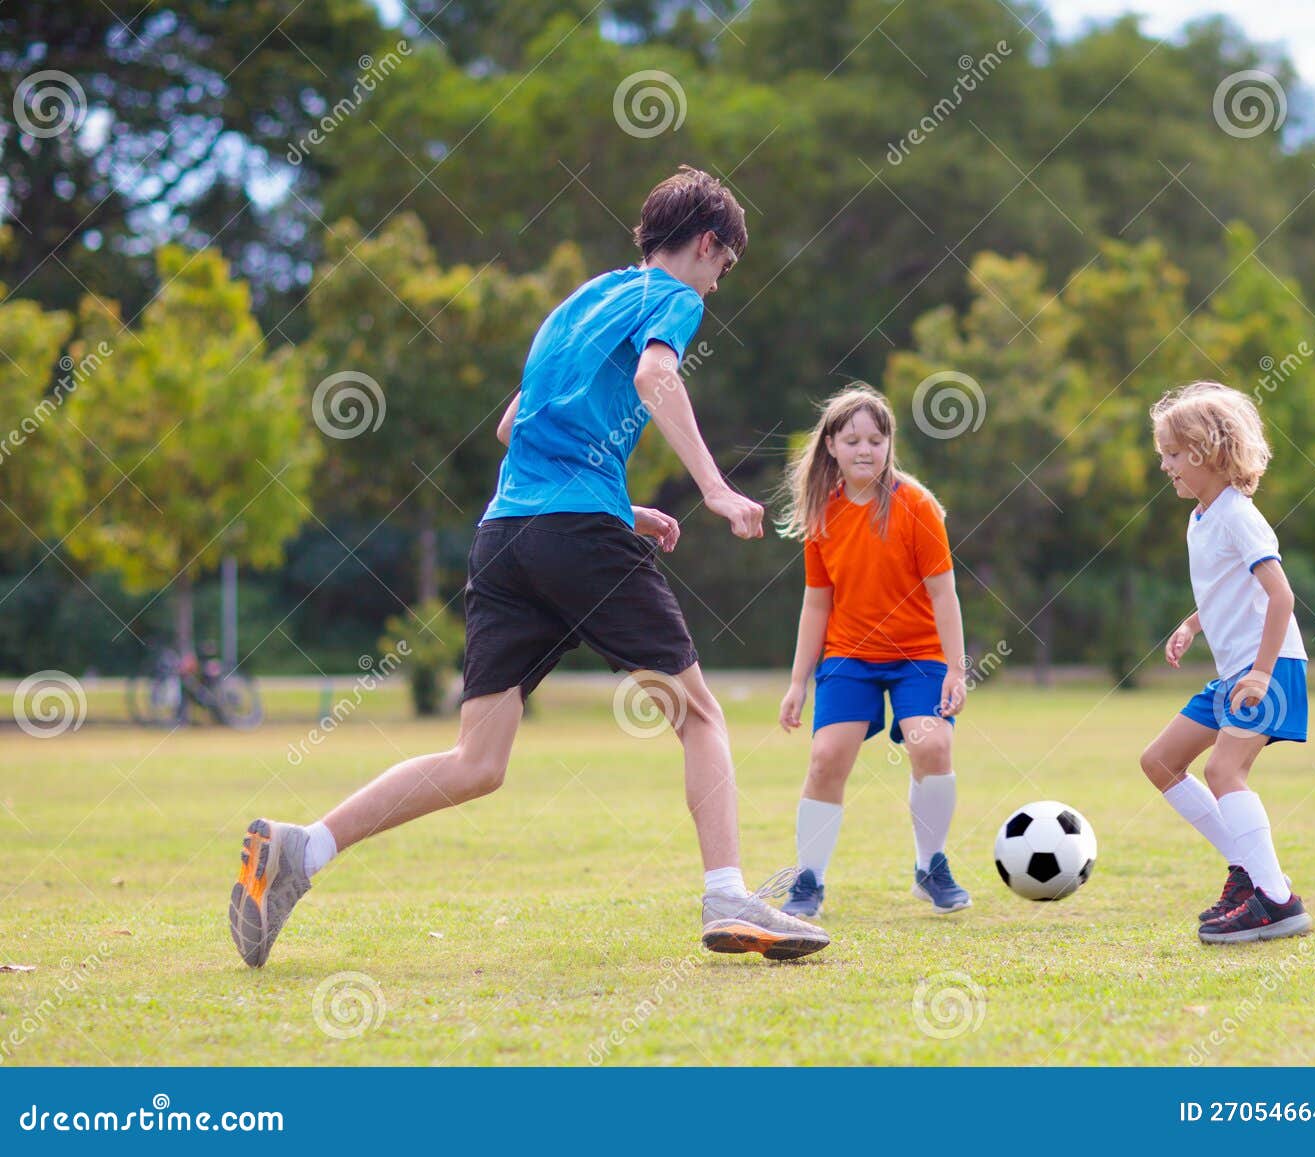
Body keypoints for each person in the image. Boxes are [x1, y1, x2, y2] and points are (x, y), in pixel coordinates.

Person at [229, 167, 830, 967]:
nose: (716, 289)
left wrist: (622, 505)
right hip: (574, 532)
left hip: (506, 537)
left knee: (478, 761)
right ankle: (727, 894)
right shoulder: (672, 297)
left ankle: (301, 851)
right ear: (708, 245)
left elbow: (516, 426)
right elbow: (656, 376)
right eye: (723, 270)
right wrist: (713, 489)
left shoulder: (575, 306)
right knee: (699, 715)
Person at [772, 385, 972, 918]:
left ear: (889, 445)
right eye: (853, 439)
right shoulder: (822, 512)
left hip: (919, 655)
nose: (866, 449)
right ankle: (808, 880)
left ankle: (931, 867)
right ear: (832, 446)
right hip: (848, 658)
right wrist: (797, 682)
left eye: (876, 439)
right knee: (826, 758)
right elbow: (816, 605)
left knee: (932, 749)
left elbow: (943, 594)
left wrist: (957, 667)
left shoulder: (917, 505)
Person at [1140, 380, 1313, 944]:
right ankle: (1248, 870)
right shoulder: (1202, 517)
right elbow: (1227, 587)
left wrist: (1261, 673)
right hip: (1234, 670)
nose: (1165, 466)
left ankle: (1277, 900)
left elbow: (1281, 596)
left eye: (1172, 454)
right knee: (1161, 762)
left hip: (1270, 667)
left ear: (1207, 452)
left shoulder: (1238, 514)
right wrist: (1194, 623)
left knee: (1223, 772)